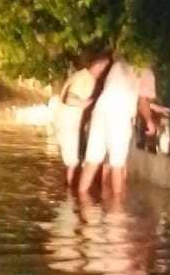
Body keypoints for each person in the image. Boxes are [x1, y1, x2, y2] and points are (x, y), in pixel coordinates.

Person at [78, 57, 157, 197]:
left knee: (91, 162)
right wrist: (150, 121)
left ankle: (79, 205)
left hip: (100, 111)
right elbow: (143, 101)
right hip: (120, 115)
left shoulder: (119, 63)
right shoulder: (146, 72)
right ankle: (116, 212)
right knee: (117, 165)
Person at [54, 52, 109, 189]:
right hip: (68, 124)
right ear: (98, 66)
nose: (105, 73)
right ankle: (69, 196)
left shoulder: (81, 76)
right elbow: (70, 99)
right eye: (105, 68)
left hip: (67, 123)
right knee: (72, 163)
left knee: (73, 161)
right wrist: (91, 102)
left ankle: (69, 193)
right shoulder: (84, 79)